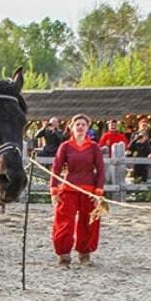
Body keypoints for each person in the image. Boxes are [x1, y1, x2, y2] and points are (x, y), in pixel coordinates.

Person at [50, 113, 105, 267]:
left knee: (88, 222)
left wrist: (98, 192)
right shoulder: (65, 147)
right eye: (77, 124)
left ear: (87, 128)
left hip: (89, 190)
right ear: (72, 127)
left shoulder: (94, 147)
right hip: (69, 188)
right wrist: (54, 191)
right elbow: (56, 168)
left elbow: (100, 170)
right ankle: (64, 255)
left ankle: (84, 254)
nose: (80, 127)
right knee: (65, 222)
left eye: (83, 125)